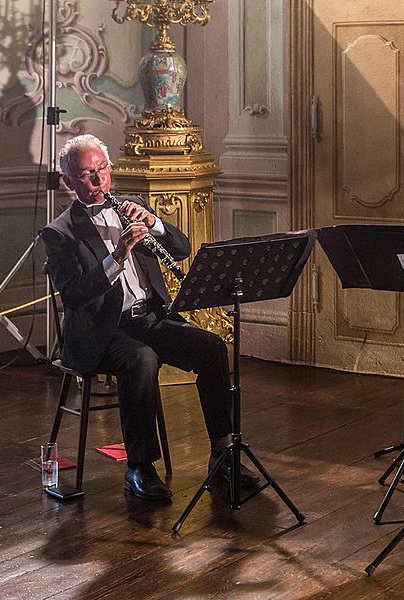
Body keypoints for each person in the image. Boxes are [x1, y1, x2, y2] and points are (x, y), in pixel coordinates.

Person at [41, 134, 258, 501]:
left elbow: (183, 247)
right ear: (68, 182)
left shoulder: (131, 204)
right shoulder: (59, 232)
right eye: (86, 176)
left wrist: (155, 224)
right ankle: (139, 467)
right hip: (99, 331)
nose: (98, 182)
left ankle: (223, 454)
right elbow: (75, 295)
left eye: (102, 171)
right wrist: (118, 256)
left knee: (212, 348)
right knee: (142, 358)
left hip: (150, 318)